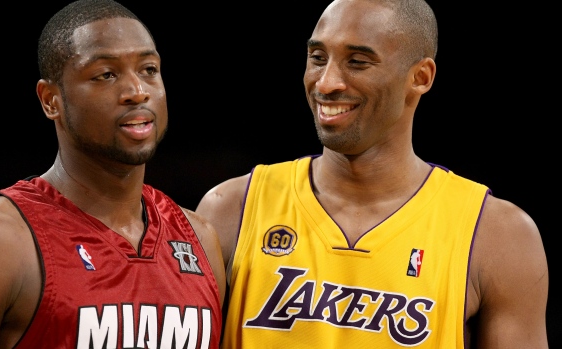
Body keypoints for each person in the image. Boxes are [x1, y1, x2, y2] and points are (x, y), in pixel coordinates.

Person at [195, 0, 549, 348]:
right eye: (318, 58)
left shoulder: (497, 236)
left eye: (358, 62)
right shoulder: (230, 210)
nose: (327, 82)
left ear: (420, 77)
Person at [0, 0, 225, 348]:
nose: (137, 91)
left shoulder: (200, 239)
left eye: (149, 69)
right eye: (106, 74)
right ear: (51, 100)